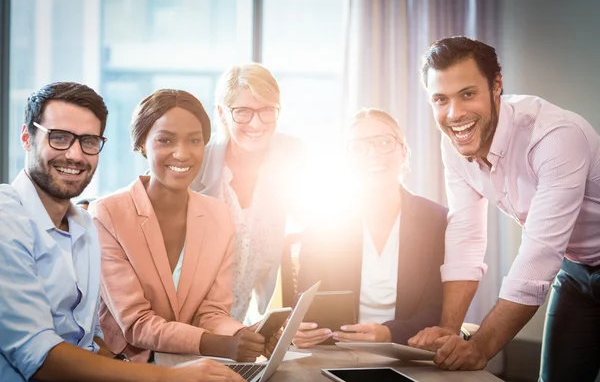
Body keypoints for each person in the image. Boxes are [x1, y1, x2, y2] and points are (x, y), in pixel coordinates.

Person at [0, 82, 245, 382]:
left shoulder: (82, 226)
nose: (75, 155)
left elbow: (91, 340)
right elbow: (37, 355)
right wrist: (168, 378)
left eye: (88, 141)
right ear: (27, 138)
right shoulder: (6, 218)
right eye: (59, 138)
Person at [408, 36, 600, 381]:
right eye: (440, 99)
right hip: (576, 272)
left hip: (563, 260)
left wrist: (479, 347)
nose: (454, 114)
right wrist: (449, 330)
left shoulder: (555, 136)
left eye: (468, 94)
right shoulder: (455, 141)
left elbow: (539, 256)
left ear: (496, 85)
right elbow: (465, 234)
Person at [89, 89, 268, 363]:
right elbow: (136, 323)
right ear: (141, 145)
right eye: (165, 140)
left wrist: (245, 334)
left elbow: (212, 313)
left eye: (194, 140)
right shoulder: (108, 214)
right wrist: (221, 346)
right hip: (124, 366)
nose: (182, 153)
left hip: (188, 363)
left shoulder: (218, 216)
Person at [293, 108, 447, 348]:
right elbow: (306, 303)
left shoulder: (435, 220)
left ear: (404, 152)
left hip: (407, 351)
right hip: (335, 350)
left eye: (384, 142)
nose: (373, 154)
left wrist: (389, 333)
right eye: (359, 147)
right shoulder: (322, 221)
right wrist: (299, 329)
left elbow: (436, 310)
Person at [190, 63, 304, 324]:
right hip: (187, 321)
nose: (256, 123)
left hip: (242, 324)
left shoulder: (288, 156)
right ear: (221, 113)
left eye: (267, 110)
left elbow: (318, 225)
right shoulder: (197, 163)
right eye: (242, 111)